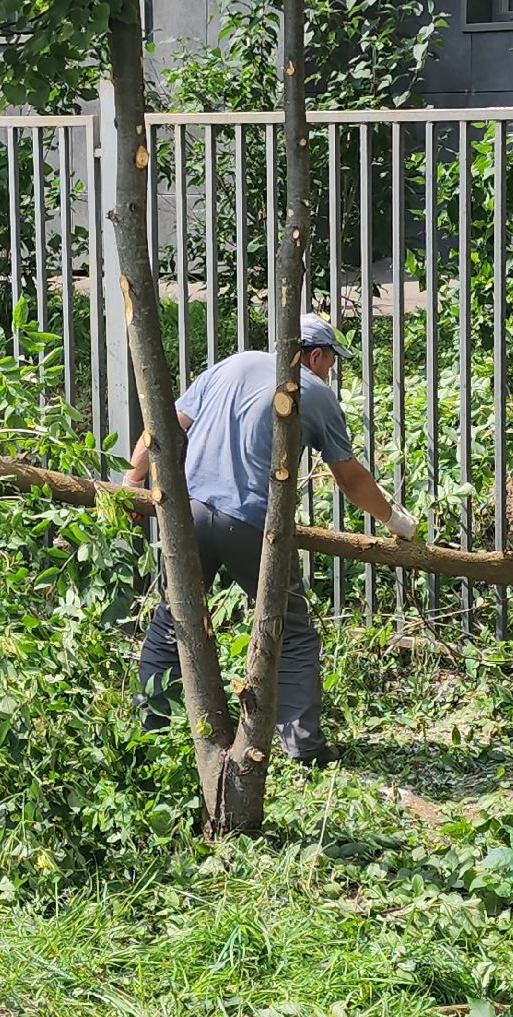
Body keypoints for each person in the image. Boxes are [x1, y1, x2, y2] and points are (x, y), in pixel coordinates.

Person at [122, 313, 420, 767]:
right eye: (330, 363)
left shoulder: (233, 364)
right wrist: (394, 519)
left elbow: (163, 425)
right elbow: (350, 477)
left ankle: (149, 735)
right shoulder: (311, 391)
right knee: (291, 630)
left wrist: (131, 481)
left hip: (189, 513)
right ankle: (304, 747)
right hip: (250, 525)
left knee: (173, 619)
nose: (330, 373)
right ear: (315, 355)